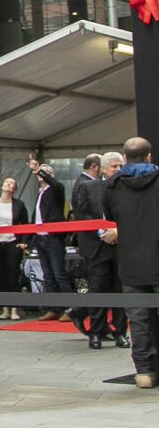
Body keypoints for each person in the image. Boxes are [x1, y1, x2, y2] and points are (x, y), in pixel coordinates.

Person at [103, 136, 159, 389]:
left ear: (124, 158)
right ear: (149, 156)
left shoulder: (113, 186)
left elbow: (111, 217)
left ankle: (144, 372)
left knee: (138, 321)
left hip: (131, 262)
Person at [77, 151, 128, 351]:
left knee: (120, 290)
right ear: (103, 168)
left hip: (120, 247)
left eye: (120, 166)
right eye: (114, 166)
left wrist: (117, 232)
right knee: (97, 290)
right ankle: (96, 332)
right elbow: (82, 214)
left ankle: (121, 332)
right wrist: (102, 231)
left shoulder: (127, 188)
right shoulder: (87, 187)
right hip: (97, 247)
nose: (118, 169)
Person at [29, 156, 73, 321]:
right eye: (42, 171)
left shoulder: (56, 190)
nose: (42, 174)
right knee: (48, 276)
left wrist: (39, 170)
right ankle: (55, 308)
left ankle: (70, 308)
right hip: (40, 239)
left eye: (47, 172)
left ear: (52, 175)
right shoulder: (40, 193)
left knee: (59, 273)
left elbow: (55, 184)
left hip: (53, 238)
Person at [0, 177, 30, 321]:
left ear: (15, 189)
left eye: (12, 183)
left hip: (12, 243)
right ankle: (5, 309)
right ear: (1, 186)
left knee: (13, 276)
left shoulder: (19, 204)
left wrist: (24, 242)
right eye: (6, 182)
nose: (9, 184)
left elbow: (26, 225)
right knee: (0, 276)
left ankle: (14, 309)